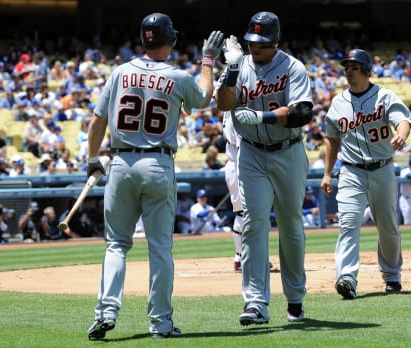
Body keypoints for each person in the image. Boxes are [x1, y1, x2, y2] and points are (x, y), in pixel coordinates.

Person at [85, 12, 223, 340]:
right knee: (159, 247)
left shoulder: (120, 72)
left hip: (121, 163)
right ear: (171, 40)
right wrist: (207, 61)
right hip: (158, 163)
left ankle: (105, 313)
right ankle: (160, 323)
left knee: (116, 244)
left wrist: (92, 159)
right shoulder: (175, 76)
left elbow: (97, 121)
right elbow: (204, 98)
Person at [215, 11, 313, 324]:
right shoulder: (238, 64)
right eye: (251, 41)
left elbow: (302, 113)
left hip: (288, 151)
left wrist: (263, 117)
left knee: (291, 226)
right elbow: (223, 104)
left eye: (262, 42)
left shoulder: (292, 67)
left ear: (275, 42)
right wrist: (230, 71)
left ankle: (295, 298)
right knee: (254, 224)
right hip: (252, 154)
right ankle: (255, 303)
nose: (254, 47)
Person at [320, 48, 411, 300]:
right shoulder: (338, 103)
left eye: (354, 66)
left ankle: (392, 276)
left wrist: (402, 134)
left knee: (388, 227)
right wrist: (327, 173)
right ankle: (347, 278)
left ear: (366, 70)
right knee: (348, 223)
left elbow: (402, 120)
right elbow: (331, 140)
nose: (349, 71)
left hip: (382, 168)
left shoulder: (384, 96)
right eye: (346, 67)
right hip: (351, 171)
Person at [221, 111, 243, 272]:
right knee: (244, 212)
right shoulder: (235, 112)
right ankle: (241, 257)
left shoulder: (229, 110)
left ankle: (244, 256)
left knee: (247, 212)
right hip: (238, 163)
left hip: (235, 162)